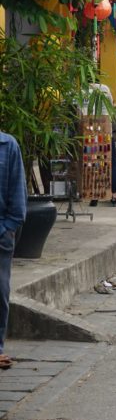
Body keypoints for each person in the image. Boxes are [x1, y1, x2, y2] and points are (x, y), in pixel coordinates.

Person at [0, 130, 26, 369]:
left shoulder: (8, 146)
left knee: (0, 293)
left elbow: (18, 196)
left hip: (0, 234)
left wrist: (8, 228)